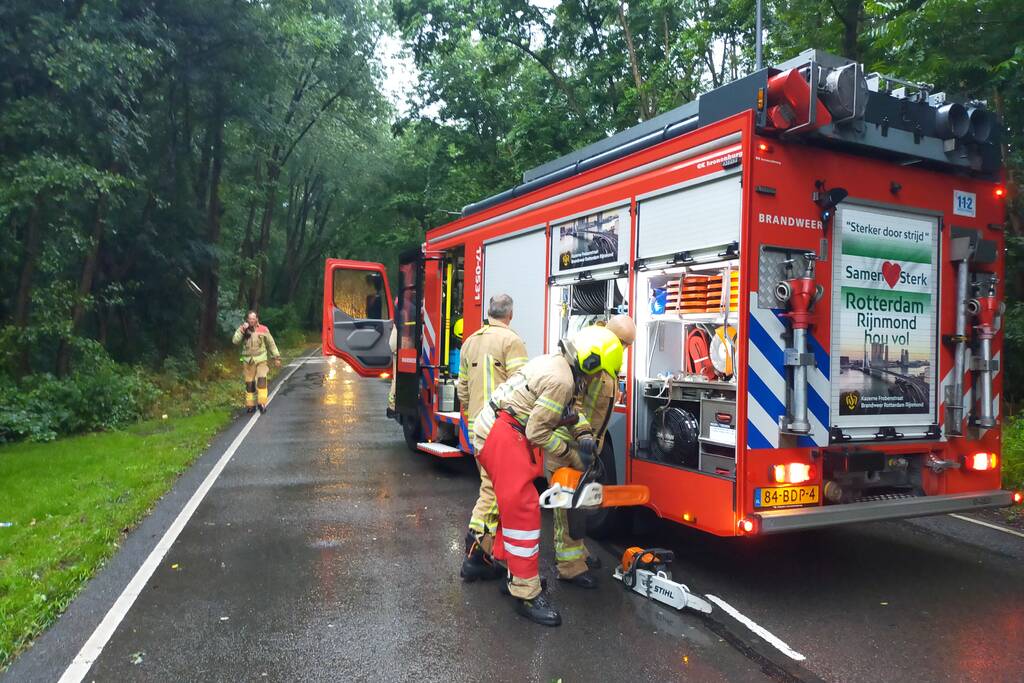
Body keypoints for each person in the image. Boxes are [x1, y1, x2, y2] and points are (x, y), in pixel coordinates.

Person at [473, 325, 624, 626]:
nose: (598, 378)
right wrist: (572, 456)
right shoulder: (562, 380)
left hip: (502, 427)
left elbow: (569, 409)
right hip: (502, 432)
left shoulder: (562, 366)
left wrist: (582, 433)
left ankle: (512, 574)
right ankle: (526, 593)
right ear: (591, 362)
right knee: (524, 510)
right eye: (599, 372)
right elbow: (537, 432)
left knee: (511, 507)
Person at [545, 314, 636, 588]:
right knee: (566, 509)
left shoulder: (605, 357)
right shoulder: (590, 354)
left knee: (579, 505)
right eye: (624, 344)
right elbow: (572, 404)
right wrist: (584, 437)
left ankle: (578, 551)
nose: (624, 350)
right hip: (568, 444)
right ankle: (569, 567)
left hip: (585, 445)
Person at [456, 295, 528, 581]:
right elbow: (522, 387)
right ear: (510, 314)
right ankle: (476, 552)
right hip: (499, 428)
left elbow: (463, 387)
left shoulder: (470, 341)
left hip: (476, 425)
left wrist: (471, 413)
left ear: (489, 312)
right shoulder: (512, 341)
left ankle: (490, 552)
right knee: (493, 491)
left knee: (489, 486)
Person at [232, 311, 281, 413]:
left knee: (262, 380)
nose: (251, 321)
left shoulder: (263, 329)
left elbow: (271, 344)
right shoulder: (242, 329)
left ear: (257, 319)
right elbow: (235, 341)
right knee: (249, 383)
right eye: (250, 319)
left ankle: (262, 403)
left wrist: (276, 357)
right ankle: (251, 405)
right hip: (248, 361)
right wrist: (242, 330)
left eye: (253, 319)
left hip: (261, 359)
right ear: (247, 320)